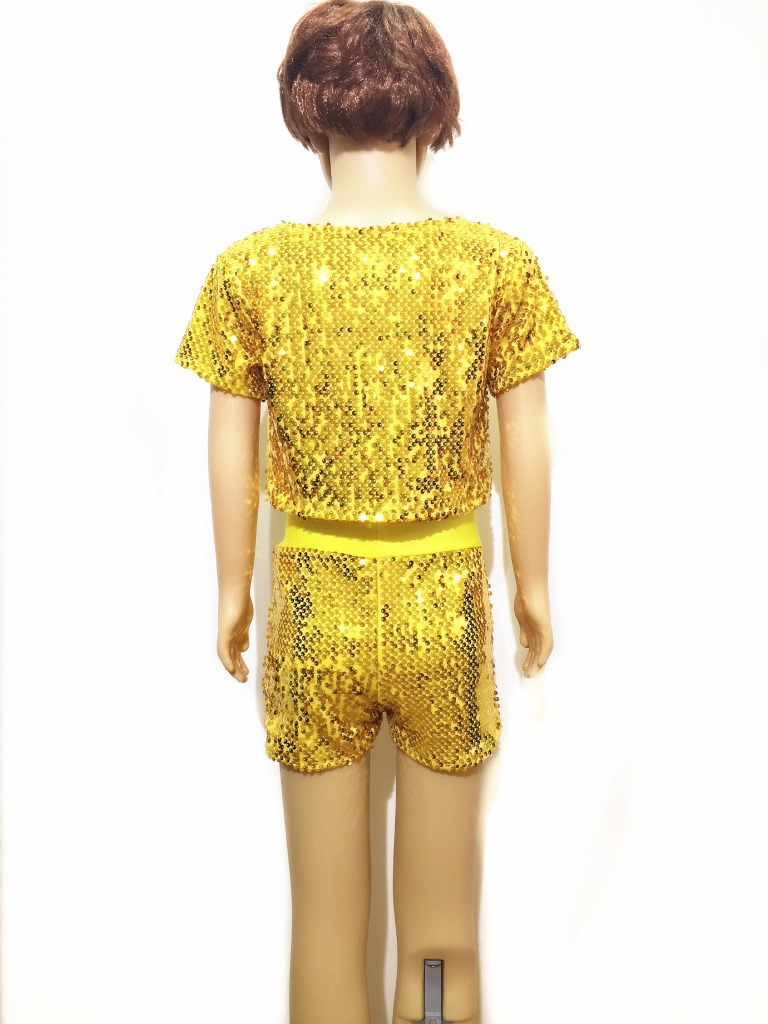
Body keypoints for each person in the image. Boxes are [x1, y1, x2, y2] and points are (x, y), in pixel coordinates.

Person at [173, 1, 580, 1021]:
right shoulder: (494, 264)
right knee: (443, 931)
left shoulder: (251, 270)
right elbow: (527, 435)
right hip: (444, 606)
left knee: (325, 923)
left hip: (315, 607)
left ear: (308, 114)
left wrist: (232, 589)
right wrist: (533, 587)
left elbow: (228, 443)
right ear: (431, 112)